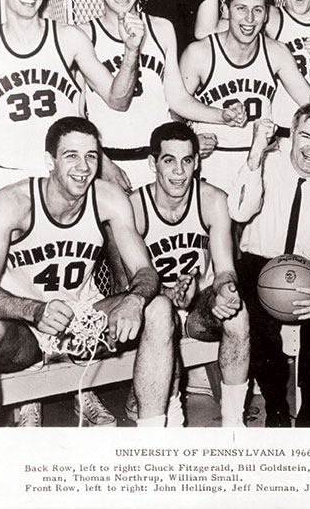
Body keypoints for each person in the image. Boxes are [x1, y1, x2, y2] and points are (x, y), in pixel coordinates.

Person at [0, 117, 174, 428]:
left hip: (84, 324)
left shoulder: (108, 198)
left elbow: (145, 270)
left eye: (91, 155)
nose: (83, 166)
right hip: (27, 329)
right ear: (49, 161)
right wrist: (33, 310)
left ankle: (153, 438)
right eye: (71, 155)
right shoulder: (12, 202)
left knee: (159, 307)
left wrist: (134, 300)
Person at [228, 103, 310, 427]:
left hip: (306, 265)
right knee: (252, 304)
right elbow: (240, 212)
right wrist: (255, 152)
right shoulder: (266, 163)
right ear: (292, 133)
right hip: (259, 260)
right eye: (306, 136)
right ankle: (276, 407)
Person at [81, 0, 242, 191]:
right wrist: (102, 161)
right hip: (110, 164)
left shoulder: (160, 28)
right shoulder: (83, 35)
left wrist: (222, 115)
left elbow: (176, 98)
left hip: (158, 162)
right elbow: (76, 111)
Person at [126, 122, 249, 426]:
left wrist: (226, 291)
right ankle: (171, 417)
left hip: (198, 304)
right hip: (153, 307)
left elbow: (224, 271)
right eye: (169, 160)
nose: (180, 172)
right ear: (153, 163)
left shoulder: (212, 199)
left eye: (187, 160)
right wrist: (166, 295)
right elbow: (127, 289)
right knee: (161, 312)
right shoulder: (133, 207)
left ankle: (234, 424)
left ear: (197, 162)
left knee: (237, 312)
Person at [0, 0, 144, 192]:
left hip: (66, 175)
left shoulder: (69, 38)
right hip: (10, 175)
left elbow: (118, 101)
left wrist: (131, 51)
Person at [180, 0, 310, 193]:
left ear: (266, 14)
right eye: (241, 8)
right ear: (226, 10)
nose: (249, 19)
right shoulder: (199, 53)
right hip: (214, 160)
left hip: (262, 159)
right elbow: (174, 108)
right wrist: (190, 140)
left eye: (257, 10)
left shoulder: (276, 52)